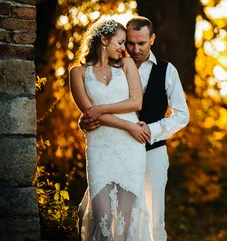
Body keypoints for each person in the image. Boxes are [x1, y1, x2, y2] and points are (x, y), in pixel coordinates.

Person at [81, 16, 190, 241]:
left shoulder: (167, 71)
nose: (135, 49)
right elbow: (95, 104)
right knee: (115, 219)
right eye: (130, 43)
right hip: (116, 152)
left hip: (152, 153)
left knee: (154, 221)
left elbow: (182, 115)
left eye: (142, 43)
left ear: (152, 39)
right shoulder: (113, 66)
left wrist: (151, 130)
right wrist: (83, 121)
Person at [70, 19, 152, 240]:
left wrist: (101, 109)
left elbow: (136, 102)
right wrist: (128, 125)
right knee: (102, 215)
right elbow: (89, 112)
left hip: (129, 148)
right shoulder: (77, 73)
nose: (124, 48)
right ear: (104, 40)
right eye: (120, 42)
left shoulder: (127, 66)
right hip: (100, 147)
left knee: (126, 219)